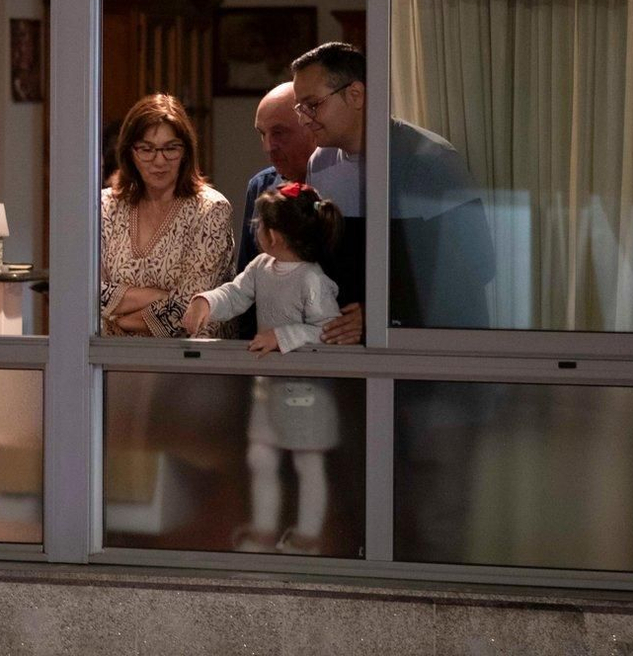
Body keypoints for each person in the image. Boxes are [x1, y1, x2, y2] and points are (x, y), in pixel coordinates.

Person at [290, 42, 496, 335]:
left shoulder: (431, 159)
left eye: (312, 105)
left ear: (356, 95)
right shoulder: (320, 164)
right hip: (350, 348)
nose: (303, 118)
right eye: (300, 108)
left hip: (424, 348)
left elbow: (476, 268)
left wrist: (381, 312)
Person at [183, 182, 343, 555]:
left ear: (273, 233)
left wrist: (282, 336)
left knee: (308, 461)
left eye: (259, 223)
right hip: (269, 386)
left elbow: (327, 330)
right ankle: (266, 529)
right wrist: (207, 301)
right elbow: (236, 293)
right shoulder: (260, 267)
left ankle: (308, 534)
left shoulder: (313, 280)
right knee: (261, 457)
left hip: (307, 391)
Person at [100, 93, 237, 338]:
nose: (159, 160)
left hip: (190, 361)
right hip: (113, 360)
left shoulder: (210, 209)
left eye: (170, 148)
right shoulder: (105, 206)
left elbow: (189, 309)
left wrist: (120, 320)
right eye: (147, 149)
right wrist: (158, 297)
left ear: (185, 151)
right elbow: (85, 293)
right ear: (130, 151)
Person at [235, 82, 318, 271]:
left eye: (279, 133)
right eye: (263, 134)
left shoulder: (339, 182)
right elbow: (245, 275)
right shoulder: (260, 186)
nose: (268, 147)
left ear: (310, 128)